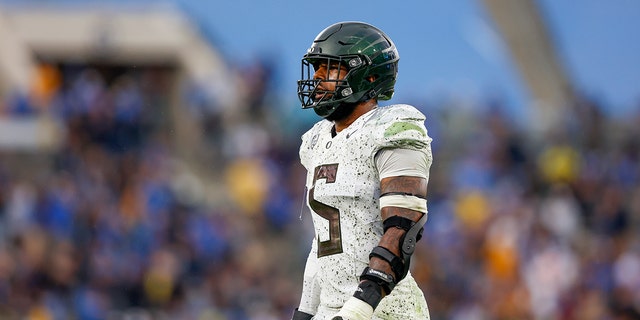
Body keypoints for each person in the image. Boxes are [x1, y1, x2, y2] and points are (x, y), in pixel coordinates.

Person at [291, 21, 433, 320]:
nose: (317, 78)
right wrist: (305, 311)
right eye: (316, 68)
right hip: (331, 310)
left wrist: (360, 306)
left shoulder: (392, 129)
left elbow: (403, 229)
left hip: (386, 310)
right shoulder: (317, 140)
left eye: (329, 68)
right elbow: (324, 243)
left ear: (367, 76)